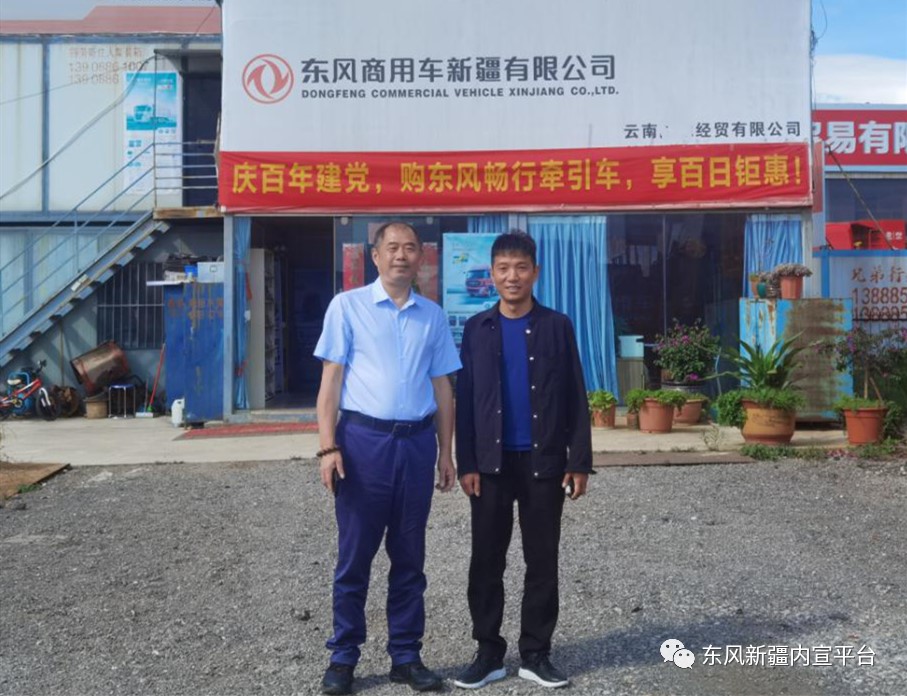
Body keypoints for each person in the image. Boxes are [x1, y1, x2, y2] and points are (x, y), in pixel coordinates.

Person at [314, 221, 460, 695]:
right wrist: (328, 447)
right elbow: (330, 383)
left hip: (416, 446)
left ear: (421, 257)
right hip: (363, 445)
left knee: (410, 556)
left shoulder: (432, 316)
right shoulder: (348, 307)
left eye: (410, 248)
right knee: (354, 556)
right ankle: (343, 658)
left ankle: (406, 655)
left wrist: (445, 452)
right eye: (392, 247)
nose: (401, 255)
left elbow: (443, 388)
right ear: (374, 256)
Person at [454, 230, 592, 689]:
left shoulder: (557, 325)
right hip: (490, 467)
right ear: (492, 274)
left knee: (542, 561)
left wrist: (578, 460)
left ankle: (536, 653)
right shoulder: (477, 329)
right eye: (503, 268)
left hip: (543, 462)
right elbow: (466, 400)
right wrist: (466, 462)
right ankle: (488, 652)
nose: (512, 276)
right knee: (486, 561)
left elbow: (574, 394)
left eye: (520, 268)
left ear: (535, 272)